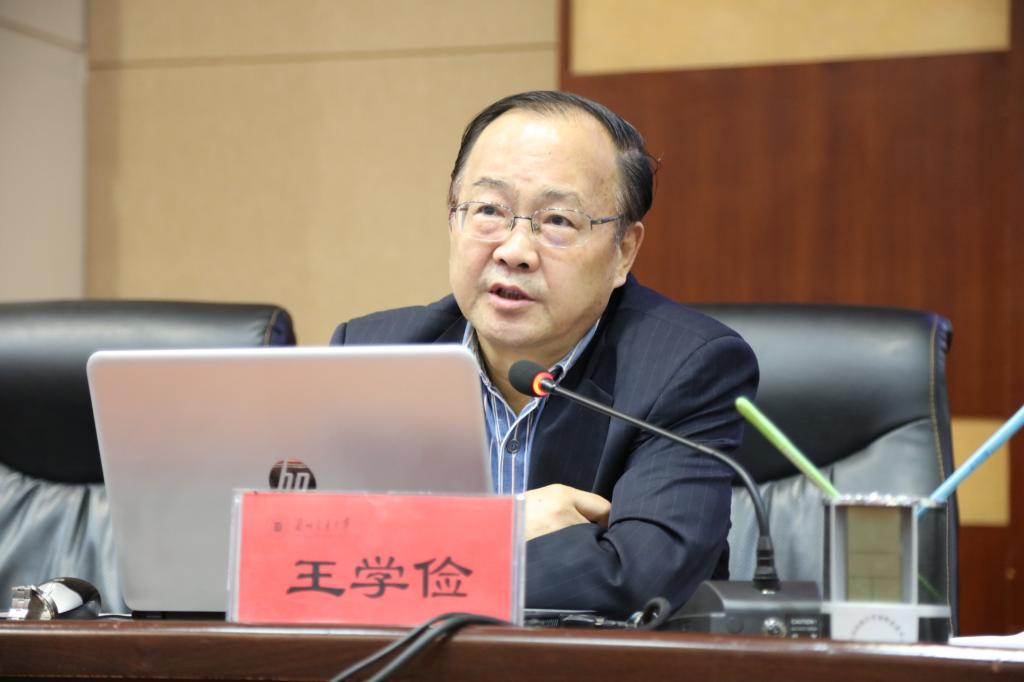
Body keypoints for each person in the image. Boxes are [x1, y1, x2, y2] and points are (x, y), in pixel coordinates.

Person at [330, 91, 758, 617]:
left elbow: (634, 581)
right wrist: (502, 525)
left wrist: (398, 557)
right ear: (453, 220)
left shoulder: (686, 367)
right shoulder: (371, 356)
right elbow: (295, 556)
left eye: (557, 221)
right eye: (489, 210)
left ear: (623, 252)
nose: (514, 251)